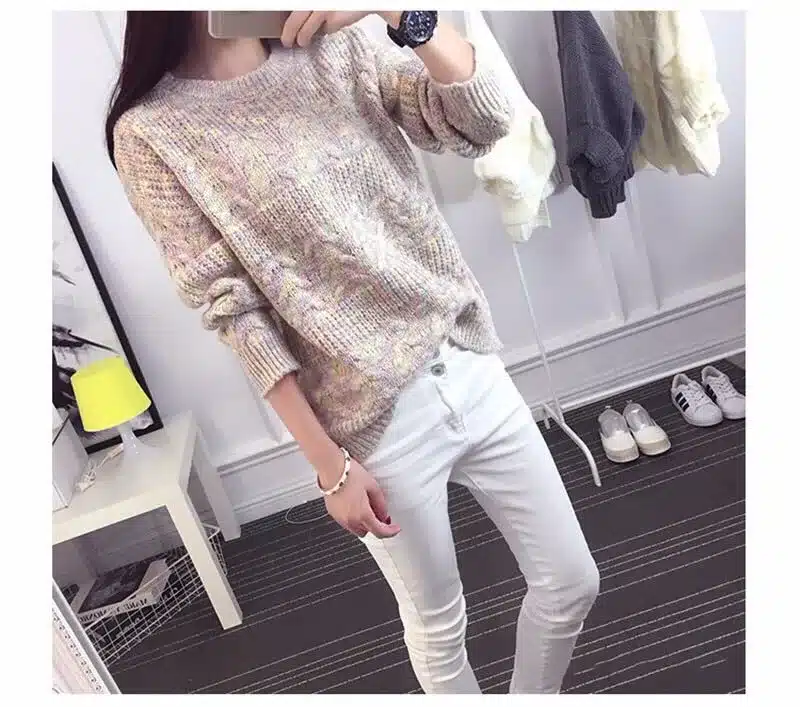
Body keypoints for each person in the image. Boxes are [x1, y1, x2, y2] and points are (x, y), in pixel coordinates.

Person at [106, 10, 599, 694]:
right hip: (370, 422)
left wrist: (401, 12)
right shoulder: (152, 132)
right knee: (439, 624)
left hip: (463, 356)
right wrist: (329, 466)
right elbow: (234, 311)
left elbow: (483, 121)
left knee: (572, 580)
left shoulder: (336, 47)